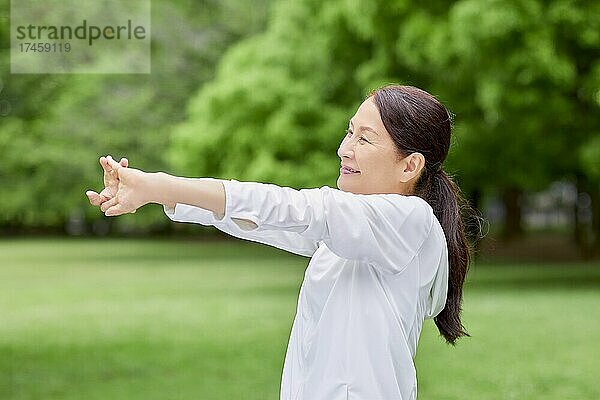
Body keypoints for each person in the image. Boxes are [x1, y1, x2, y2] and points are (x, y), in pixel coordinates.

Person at [86, 84, 475, 400]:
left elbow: (293, 208)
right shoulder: (351, 235)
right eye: (349, 132)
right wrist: (158, 195)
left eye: (365, 139)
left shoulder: (411, 222)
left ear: (410, 165)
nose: (345, 149)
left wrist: (159, 183)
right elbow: (260, 219)